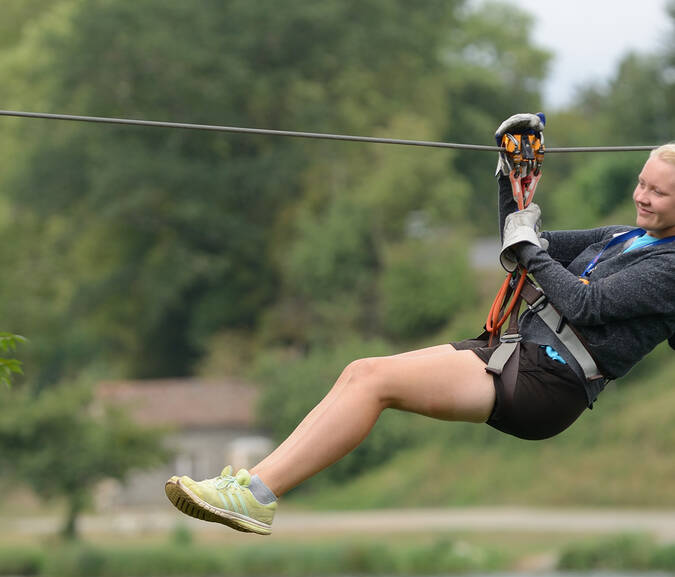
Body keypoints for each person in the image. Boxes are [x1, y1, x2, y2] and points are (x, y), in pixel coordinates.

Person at [165, 114, 675, 535]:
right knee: (361, 372)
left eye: (659, 193)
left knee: (374, 382)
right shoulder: (620, 238)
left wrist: (528, 246)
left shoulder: (669, 268)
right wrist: (509, 178)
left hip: (548, 384)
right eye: (641, 183)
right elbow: (519, 241)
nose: (642, 197)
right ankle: (251, 487)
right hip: (515, 355)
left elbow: (587, 304)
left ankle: (256, 496)